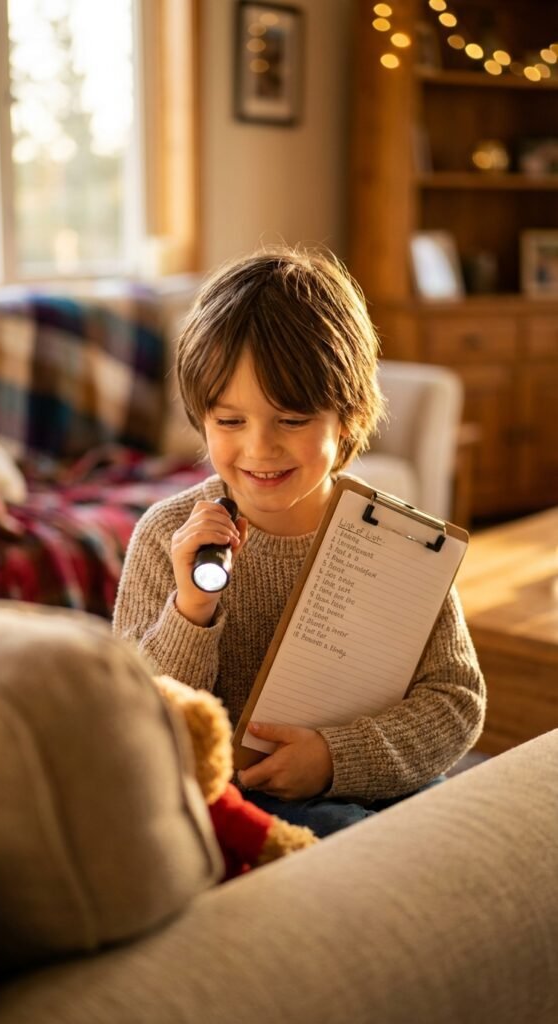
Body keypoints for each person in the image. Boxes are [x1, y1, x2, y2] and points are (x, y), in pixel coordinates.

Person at [113, 246, 485, 837]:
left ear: (349, 417)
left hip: (377, 788)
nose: (260, 449)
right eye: (229, 422)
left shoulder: (397, 539)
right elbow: (137, 726)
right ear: (199, 418)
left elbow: (456, 700)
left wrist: (337, 758)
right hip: (239, 808)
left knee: (469, 837)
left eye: (291, 420)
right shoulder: (168, 537)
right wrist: (191, 610)